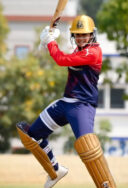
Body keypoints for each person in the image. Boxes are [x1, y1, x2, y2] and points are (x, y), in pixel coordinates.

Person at [16, 15, 116, 188]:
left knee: (88, 148)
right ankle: (55, 171)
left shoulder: (93, 52)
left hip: (82, 106)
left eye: (84, 34)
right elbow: (63, 55)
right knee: (32, 135)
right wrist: (51, 38)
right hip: (65, 104)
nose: (81, 38)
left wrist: (50, 42)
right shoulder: (78, 50)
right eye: (77, 35)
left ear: (92, 34)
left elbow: (61, 59)